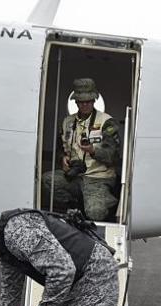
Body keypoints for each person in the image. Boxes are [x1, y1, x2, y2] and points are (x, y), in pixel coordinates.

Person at [41, 78, 122, 221]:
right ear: (76, 102)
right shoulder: (67, 122)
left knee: (95, 212)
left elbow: (114, 156)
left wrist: (93, 150)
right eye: (81, 101)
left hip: (98, 178)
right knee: (47, 180)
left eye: (88, 101)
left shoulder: (106, 122)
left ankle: (104, 200)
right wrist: (63, 159)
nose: (85, 104)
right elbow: (60, 149)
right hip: (75, 176)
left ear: (94, 101)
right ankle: (78, 205)